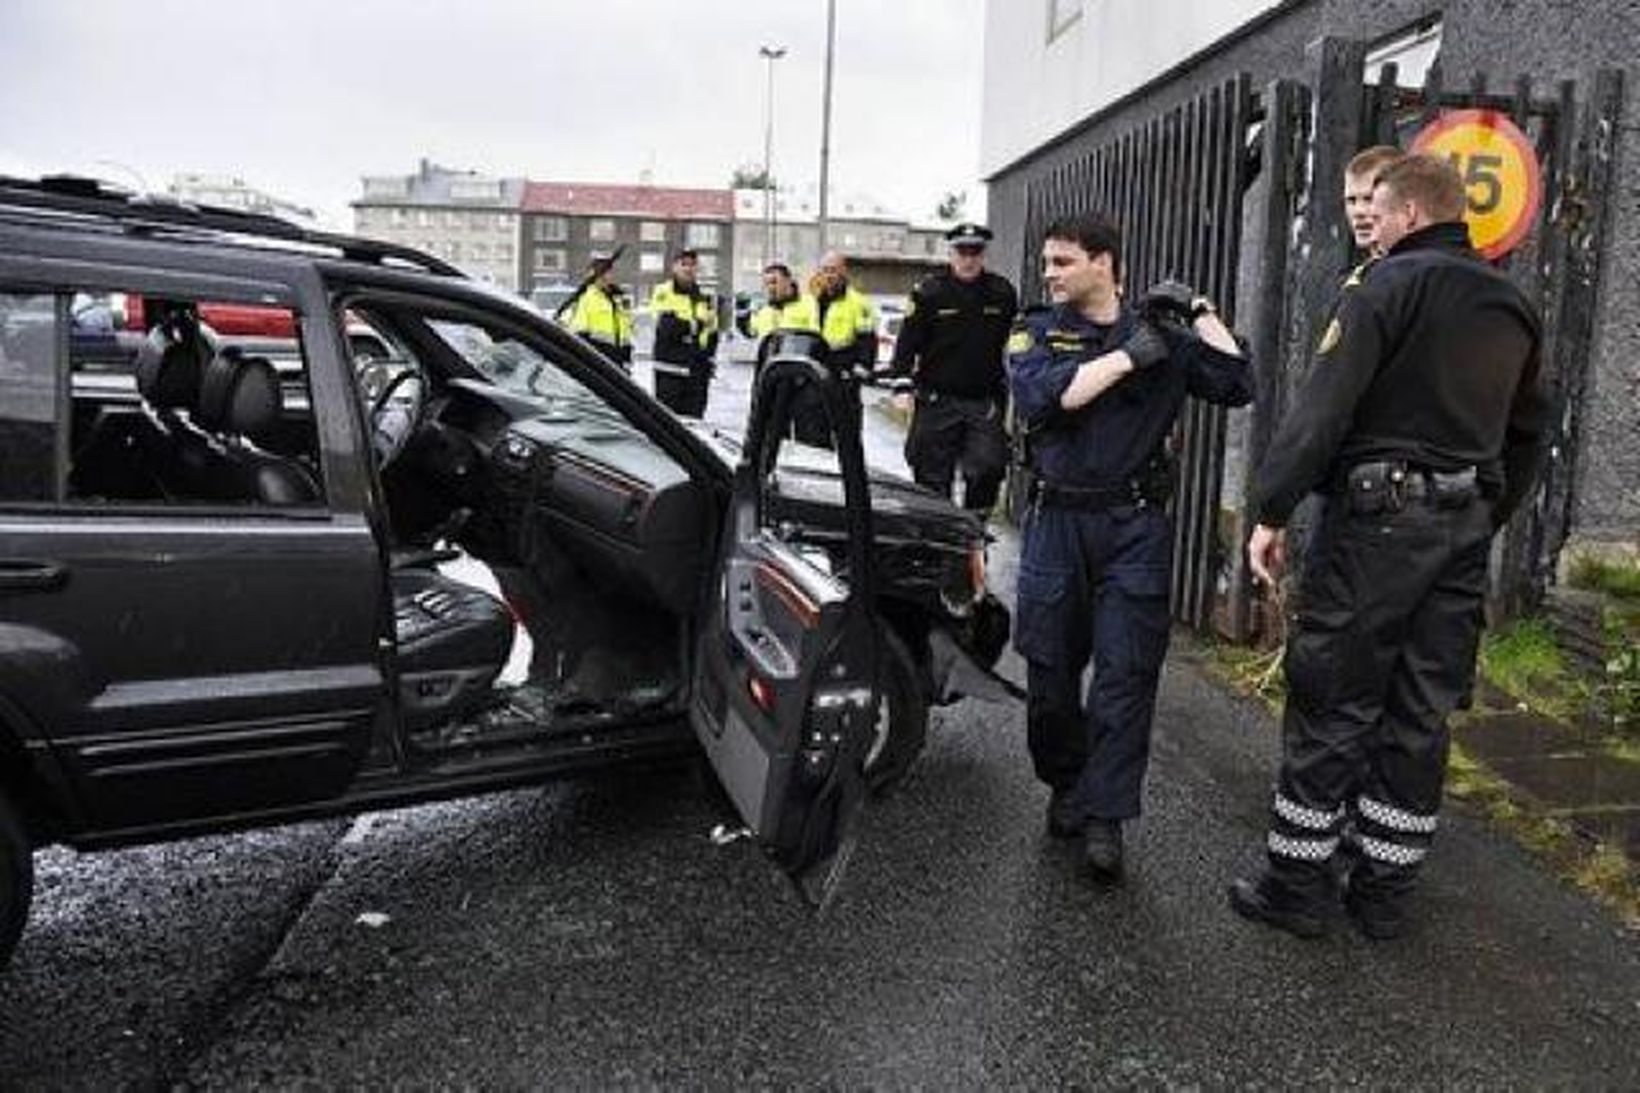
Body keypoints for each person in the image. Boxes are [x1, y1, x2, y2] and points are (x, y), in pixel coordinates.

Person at [1228, 154, 1549, 941]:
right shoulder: (1512, 304)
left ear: (1407, 213)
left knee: (1335, 695)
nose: (1367, 219)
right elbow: (1532, 431)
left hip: (1377, 524)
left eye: (1376, 205)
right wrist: (1481, 513)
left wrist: (1269, 510)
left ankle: (1296, 884)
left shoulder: (1383, 288)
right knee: (1419, 710)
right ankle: (1384, 894)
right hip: (1464, 524)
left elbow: (1322, 411)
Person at [1008, 213, 1252, 880]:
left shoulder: (1162, 333)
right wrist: (1127, 356)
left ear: (1104, 262)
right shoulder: (1035, 327)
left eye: (1062, 262)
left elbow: (1237, 380)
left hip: (1134, 527)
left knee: (1125, 674)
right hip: (1058, 521)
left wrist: (1199, 311)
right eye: (1047, 262)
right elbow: (1045, 397)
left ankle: (1105, 816)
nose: (1050, 273)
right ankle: (1066, 779)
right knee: (1051, 674)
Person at [889, 221, 1019, 516]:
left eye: (975, 252)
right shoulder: (930, 292)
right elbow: (907, 341)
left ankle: (974, 534)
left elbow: (1015, 341)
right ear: (951, 253)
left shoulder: (1001, 292)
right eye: (962, 251)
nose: (969, 259)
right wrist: (901, 383)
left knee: (988, 468)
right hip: (937, 399)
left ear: (983, 254)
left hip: (982, 400)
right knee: (931, 476)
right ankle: (938, 542)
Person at [791, 252, 875, 447]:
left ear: (844, 272)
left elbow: (868, 342)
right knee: (809, 440)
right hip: (811, 379)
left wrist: (858, 372)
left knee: (847, 442)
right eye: (825, 270)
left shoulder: (859, 303)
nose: (829, 275)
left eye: (834, 271)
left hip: (842, 379)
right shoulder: (808, 302)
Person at [649, 249, 718, 417]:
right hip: (670, 370)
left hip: (697, 372)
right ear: (674, 267)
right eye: (683, 264)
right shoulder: (663, 292)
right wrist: (697, 325)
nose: (688, 269)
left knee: (695, 425)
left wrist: (708, 360)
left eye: (693, 265)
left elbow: (712, 332)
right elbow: (668, 327)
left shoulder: (703, 298)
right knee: (668, 424)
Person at [558, 252, 633, 369]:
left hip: (618, 363)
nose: (607, 277)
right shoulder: (587, 299)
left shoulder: (619, 300)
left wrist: (627, 361)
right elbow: (580, 334)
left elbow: (626, 334)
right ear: (593, 276)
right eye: (603, 273)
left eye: (609, 272)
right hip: (599, 362)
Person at [747, 262, 818, 344]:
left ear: (788, 281)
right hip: (769, 354)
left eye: (774, 282)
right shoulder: (763, 309)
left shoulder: (808, 303)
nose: (771, 287)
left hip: (797, 353)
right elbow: (750, 332)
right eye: (767, 284)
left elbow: (814, 335)